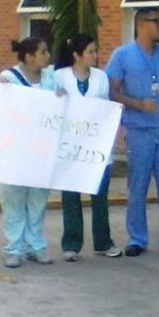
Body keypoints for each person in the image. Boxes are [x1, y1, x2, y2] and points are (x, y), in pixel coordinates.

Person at [106, 8, 159, 257]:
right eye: (157, 21)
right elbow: (113, 92)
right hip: (138, 128)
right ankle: (137, 238)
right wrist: (139, 104)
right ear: (142, 25)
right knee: (138, 185)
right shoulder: (122, 55)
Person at [55, 34, 122, 261]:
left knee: (99, 195)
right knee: (71, 196)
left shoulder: (101, 77)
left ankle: (103, 242)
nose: (95, 55)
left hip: (96, 147)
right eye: (90, 51)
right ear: (77, 55)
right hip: (69, 147)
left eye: (96, 51)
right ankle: (71, 243)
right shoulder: (59, 77)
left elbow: (105, 108)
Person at [0, 37, 57, 268]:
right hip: (14, 150)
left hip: (42, 149)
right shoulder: (8, 78)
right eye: (43, 51)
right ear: (29, 56)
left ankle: (36, 245)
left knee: (38, 200)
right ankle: (13, 247)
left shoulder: (51, 78)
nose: (47, 55)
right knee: (13, 199)